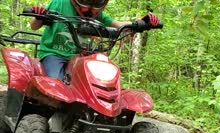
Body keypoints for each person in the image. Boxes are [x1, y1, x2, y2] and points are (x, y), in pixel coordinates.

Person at [30, 0, 160, 80]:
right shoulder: (60, 3)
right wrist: (39, 16)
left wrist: (140, 23)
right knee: (55, 83)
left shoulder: (98, 15)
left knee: (97, 82)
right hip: (54, 53)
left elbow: (119, 25)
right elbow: (34, 26)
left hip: (81, 58)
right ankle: (51, 116)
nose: (90, 9)